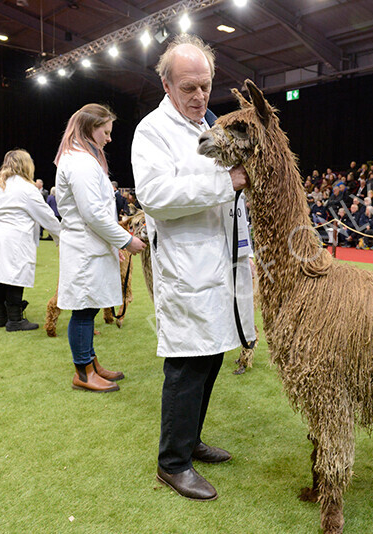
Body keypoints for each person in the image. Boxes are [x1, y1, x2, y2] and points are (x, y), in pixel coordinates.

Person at [130, 34, 255, 502]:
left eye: (205, 85)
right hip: (186, 265)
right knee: (187, 363)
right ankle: (172, 462)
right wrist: (225, 183)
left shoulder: (214, 125)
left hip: (222, 262)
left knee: (213, 355)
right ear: (166, 84)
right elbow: (155, 197)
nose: (200, 95)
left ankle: (191, 438)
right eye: (188, 87)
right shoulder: (152, 132)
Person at [55, 104, 146, 391]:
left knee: (90, 306)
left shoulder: (83, 159)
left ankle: (91, 363)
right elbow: (92, 213)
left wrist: (112, 244)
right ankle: (83, 373)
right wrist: (125, 240)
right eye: (105, 132)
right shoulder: (80, 162)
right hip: (84, 247)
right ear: (89, 128)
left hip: (92, 245)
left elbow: (97, 212)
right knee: (83, 309)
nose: (109, 138)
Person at [0, 150, 60, 330]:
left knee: (0, 276)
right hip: (15, 237)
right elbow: (45, 216)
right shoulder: (27, 188)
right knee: (15, 276)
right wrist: (62, 236)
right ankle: (15, 320)